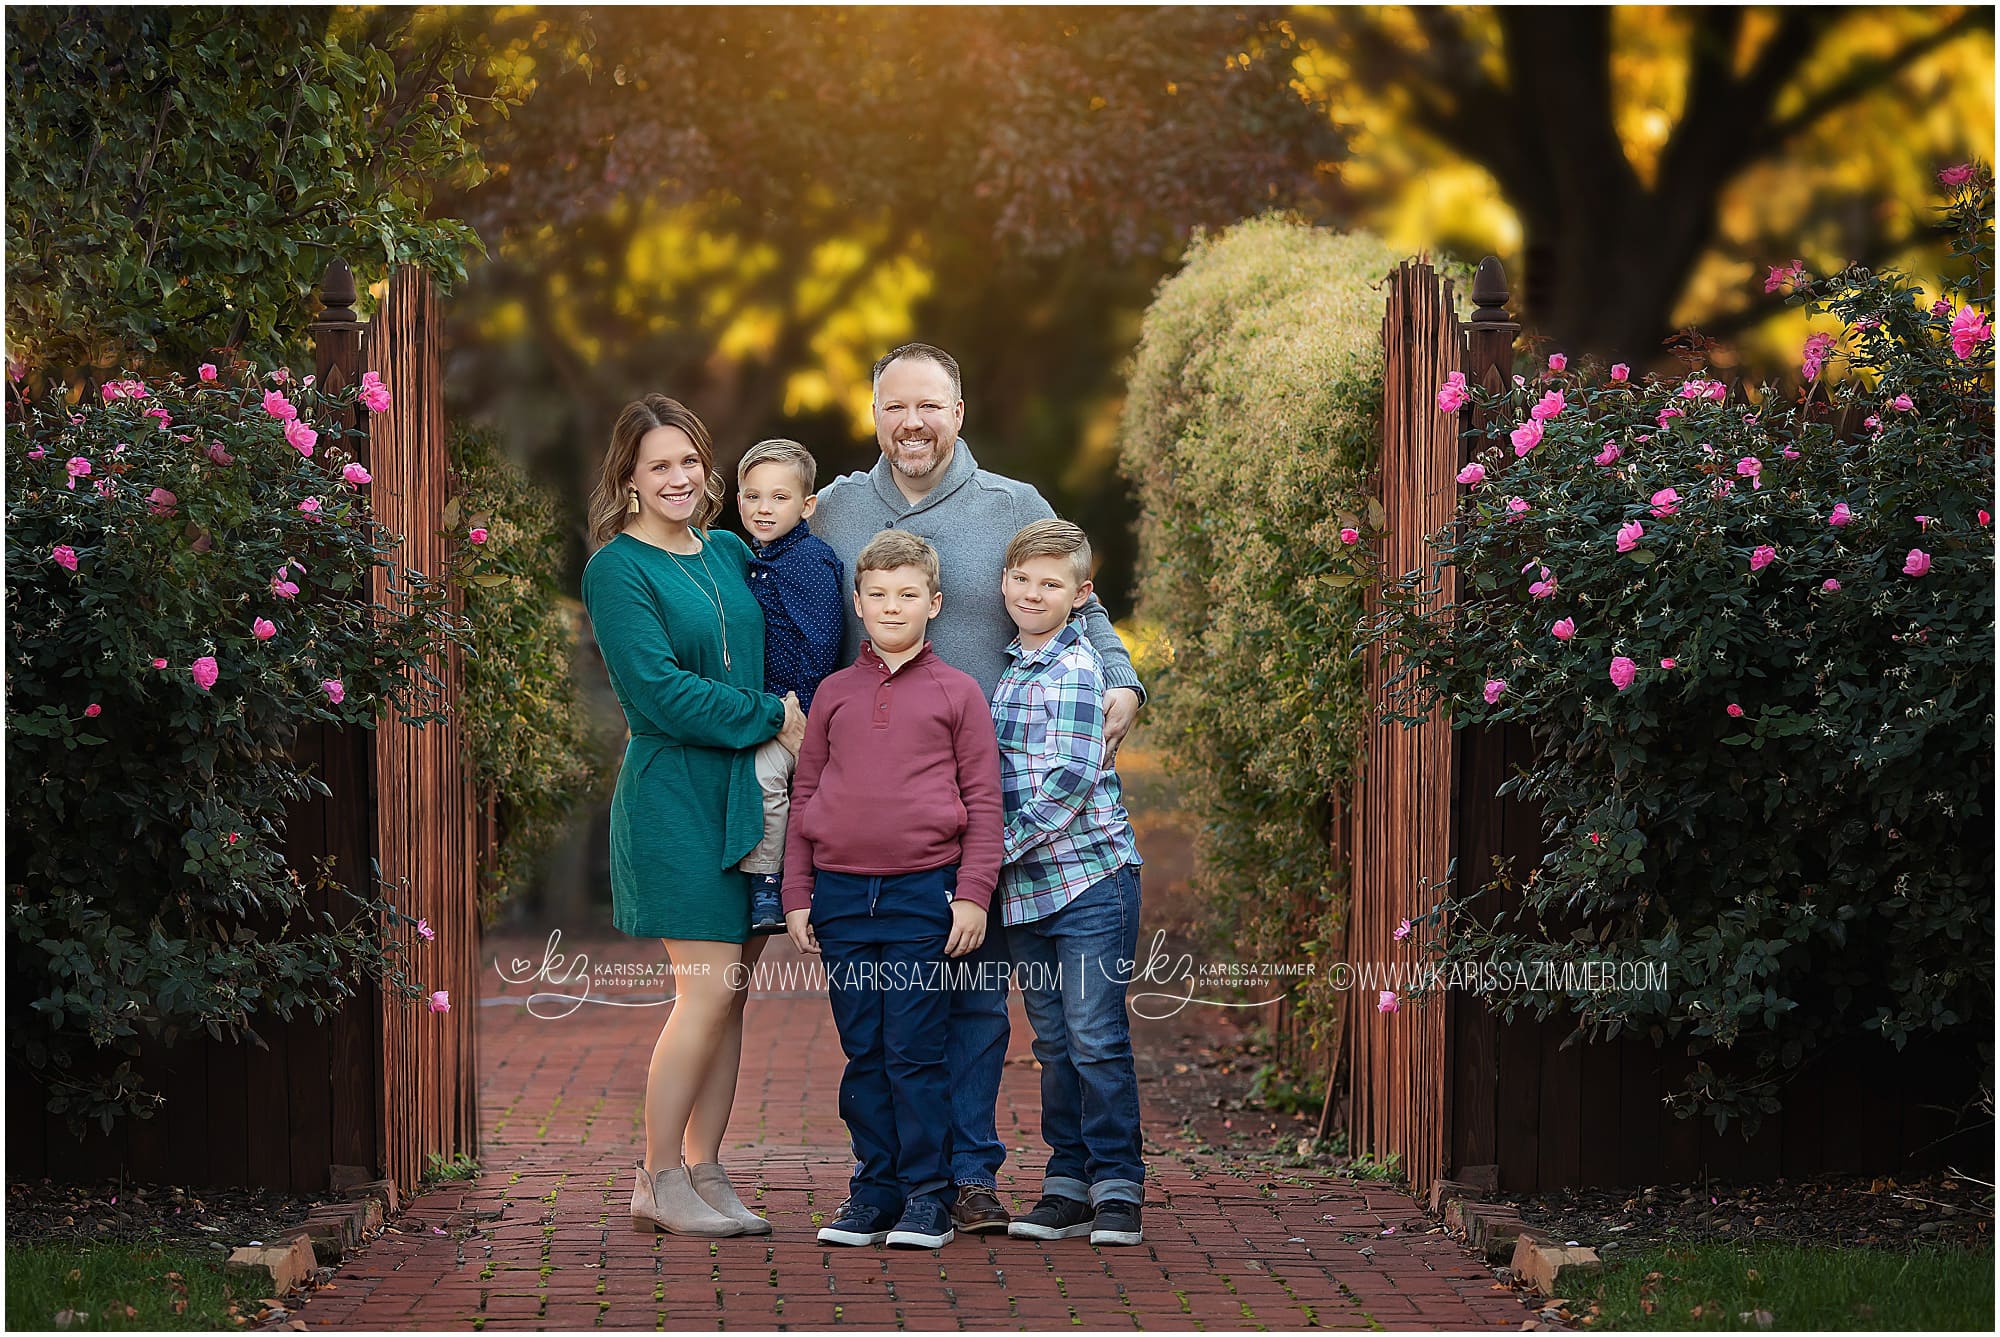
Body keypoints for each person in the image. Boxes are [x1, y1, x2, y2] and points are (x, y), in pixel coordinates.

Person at [809, 342, 1146, 1233]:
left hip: (990, 808)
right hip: (886, 819)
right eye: (893, 408)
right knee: (894, 1017)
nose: (910, 423)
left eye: (928, 406)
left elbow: (1084, 602)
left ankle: (969, 1177)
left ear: (958, 412)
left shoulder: (1012, 506)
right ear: (874, 414)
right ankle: (903, 1175)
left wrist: (1122, 678)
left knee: (978, 1006)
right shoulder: (835, 510)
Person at [579, 394, 807, 1238]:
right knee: (705, 993)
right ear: (629, 480)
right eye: (659, 466)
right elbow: (657, 691)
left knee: (732, 996)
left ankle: (707, 1169)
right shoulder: (616, 568)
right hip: (674, 794)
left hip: (746, 796)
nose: (679, 478)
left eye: (689, 462)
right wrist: (773, 716)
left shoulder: (726, 550)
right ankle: (656, 1175)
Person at [780, 530, 1004, 1250]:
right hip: (843, 898)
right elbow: (806, 786)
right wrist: (797, 891)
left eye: (908, 594)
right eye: (877, 594)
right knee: (864, 1047)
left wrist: (972, 893)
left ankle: (927, 1195)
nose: (891, 606)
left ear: (934, 603)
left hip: (920, 895)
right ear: (858, 602)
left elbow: (985, 797)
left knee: (913, 1047)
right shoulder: (835, 694)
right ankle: (872, 1189)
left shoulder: (958, 692)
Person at [988, 520, 1147, 1247]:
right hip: (1026, 891)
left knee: (1095, 1036)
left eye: (1050, 583)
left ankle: (1118, 1185)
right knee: (1052, 1039)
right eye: (1023, 579)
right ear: (1004, 583)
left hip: (1090, 879)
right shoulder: (1009, 667)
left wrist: (994, 849)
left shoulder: (1077, 667)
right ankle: (1066, 1182)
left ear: (1081, 594)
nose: (1032, 592)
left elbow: (1071, 781)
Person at [732, 437, 845, 933]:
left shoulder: (809, 562)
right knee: (763, 783)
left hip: (802, 708)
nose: (763, 507)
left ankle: (773, 882)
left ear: (807, 505)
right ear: (738, 501)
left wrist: (797, 713)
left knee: (773, 780)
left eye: (779, 497)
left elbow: (822, 641)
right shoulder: (751, 559)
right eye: (753, 496)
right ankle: (771, 880)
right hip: (765, 707)